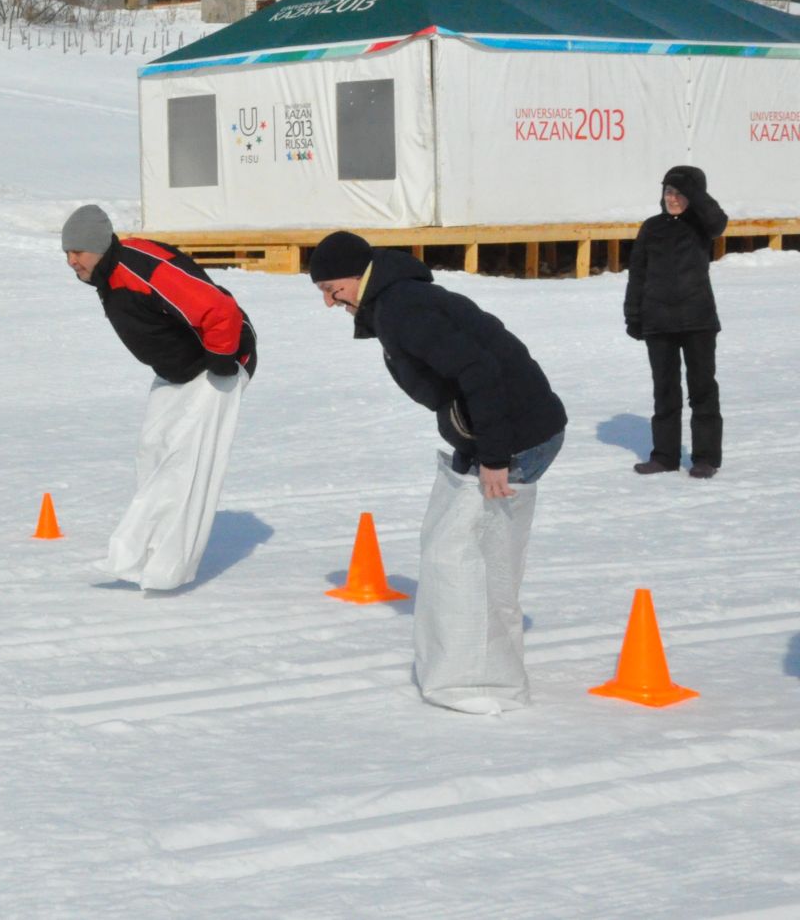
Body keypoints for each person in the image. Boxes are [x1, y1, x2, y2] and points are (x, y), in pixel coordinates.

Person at [310, 231, 566, 715]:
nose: (329, 301)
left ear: (356, 274)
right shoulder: (397, 299)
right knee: (465, 550)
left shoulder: (401, 308)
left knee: (474, 555)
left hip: (519, 437)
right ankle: (472, 666)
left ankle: (483, 681)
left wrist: (493, 457)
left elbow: (480, 370)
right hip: (508, 430)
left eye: (331, 287)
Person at [62, 204, 257, 592]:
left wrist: (221, 360)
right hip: (176, 371)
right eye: (66, 254)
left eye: (77, 252)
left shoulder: (142, 267)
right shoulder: (107, 275)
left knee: (184, 461)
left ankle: (167, 567)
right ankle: (145, 549)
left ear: (98, 247)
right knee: (152, 449)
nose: (71, 262)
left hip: (218, 364)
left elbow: (220, 309)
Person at [626, 166, 727, 479]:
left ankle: (705, 458)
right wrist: (633, 315)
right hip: (659, 322)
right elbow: (637, 274)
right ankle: (665, 456)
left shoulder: (701, 225)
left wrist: (693, 191)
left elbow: (717, 221)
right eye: (668, 191)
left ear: (693, 196)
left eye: (680, 193)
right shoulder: (651, 227)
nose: (672, 198)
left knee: (702, 390)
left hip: (697, 321)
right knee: (664, 391)